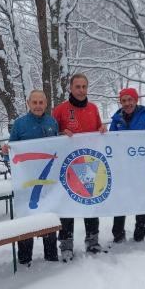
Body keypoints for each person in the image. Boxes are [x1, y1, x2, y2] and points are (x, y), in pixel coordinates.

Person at [52, 73, 107, 261]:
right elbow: (50, 136)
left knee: (90, 203)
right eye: (78, 87)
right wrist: (60, 133)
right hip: (67, 166)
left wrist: (102, 130)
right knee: (67, 206)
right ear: (70, 88)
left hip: (90, 164)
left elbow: (100, 129)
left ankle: (92, 240)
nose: (81, 90)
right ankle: (66, 244)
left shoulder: (93, 108)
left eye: (84, 86)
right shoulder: (60, 110)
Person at [2, 90, 59, 265]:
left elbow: (58, 148)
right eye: (34, 102)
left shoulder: (52, 122)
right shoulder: (19, 124)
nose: (38, 106)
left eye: (41, 102)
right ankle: (25, 258)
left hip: (47, 180)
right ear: (28, 103)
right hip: (26, 181)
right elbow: (10, 152)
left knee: (47, 216)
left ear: (46, 103)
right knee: (26, 217)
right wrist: (6, 154)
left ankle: (50, 256)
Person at [109, 87, 145, 242]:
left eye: (130, 100)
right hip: (122, 167)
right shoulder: (116, 121)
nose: (127, 103)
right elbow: (110, 142)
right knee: (120, 198)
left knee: (141, 198)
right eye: (124, 100)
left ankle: (140, 228)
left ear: (136, 100)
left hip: (141, 167)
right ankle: (118, 232)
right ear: (120, 102)